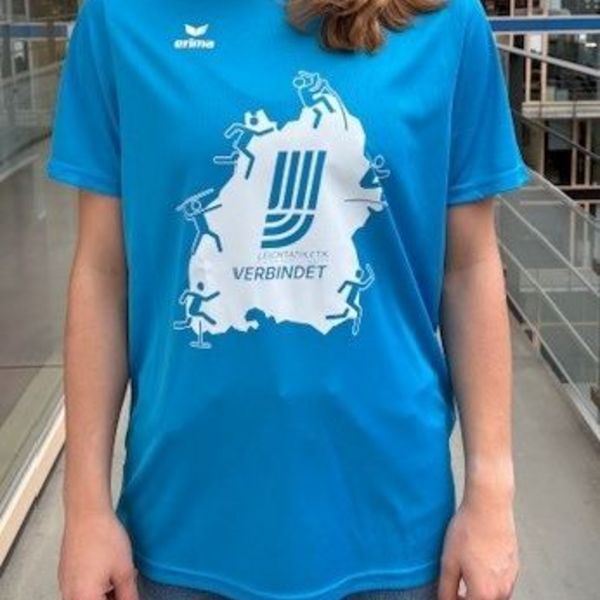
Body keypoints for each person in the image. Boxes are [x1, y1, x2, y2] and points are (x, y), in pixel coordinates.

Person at [46, 0, 530, 599]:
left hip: (391, 526)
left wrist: (492, 494)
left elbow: (469, 269)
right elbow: (103, 273)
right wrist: (85, 509)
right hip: (183, 527)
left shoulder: (444, 18)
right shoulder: (119, 19)